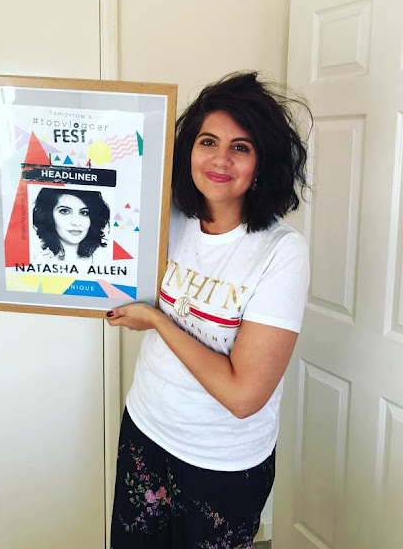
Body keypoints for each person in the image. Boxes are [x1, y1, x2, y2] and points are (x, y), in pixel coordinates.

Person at [104, 72, 310, 549]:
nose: (220, 159)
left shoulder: (282, 251)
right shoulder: (167, 218)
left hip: (222, 462)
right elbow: (94, 260)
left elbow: (243, 396)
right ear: (189, 150)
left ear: (262, 162)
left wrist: (157, 321)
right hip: (146, 430)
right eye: (208, 141)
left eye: (241, 147)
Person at [32, 188, 110, 261]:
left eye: (84, 213)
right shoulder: (37, 260)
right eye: (64, 211)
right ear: (47, 216)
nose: (76, 223)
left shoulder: (105, 259)